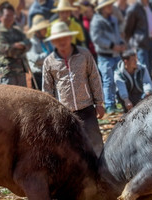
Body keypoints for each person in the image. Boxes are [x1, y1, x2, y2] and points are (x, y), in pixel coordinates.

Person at [42, 22, 105, 155]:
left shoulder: (84, 54)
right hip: (65, 111)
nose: (61, 41)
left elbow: (94, 77)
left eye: (64, 37)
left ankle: (101, 171)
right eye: (57, 39)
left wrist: (99, 102)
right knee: (71, 146)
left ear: (70, 38)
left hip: (87, 107)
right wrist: (50, 113)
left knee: (95, 142)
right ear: (53, 42)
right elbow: (47, 90)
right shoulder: (49, 62)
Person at [90, 0, 125, 114]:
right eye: (108, 5)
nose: (110, 7)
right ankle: (109, 105)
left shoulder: (113, 19)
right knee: (108, 81)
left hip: (115, 54)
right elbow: (96, 38)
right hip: (105, 56)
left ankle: (115, 102)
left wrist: (120, 43)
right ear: (102, 8)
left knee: (117, 79)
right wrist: (111, 45)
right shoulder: (96, 21)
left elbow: (117, 35)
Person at [0, 2, 31, 86]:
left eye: (11, 15)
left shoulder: (17, 31)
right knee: (8, 99)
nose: (10, 18)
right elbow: (7, 51)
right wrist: (19, 47)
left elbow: (28, 44)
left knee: (22, 98)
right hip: (7, 73)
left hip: (20, 72)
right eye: (7, 16)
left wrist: (20, 45)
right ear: (0, 17)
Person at [124, 0, 152, 73]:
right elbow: (128, 29)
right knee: (144, 70)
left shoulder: (151, 6)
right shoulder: (134, 8)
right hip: (141, 45)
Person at [26, 15, 52, 89]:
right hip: (38, 75)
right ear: (38, 31)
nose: (46, 30)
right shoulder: (31, 43)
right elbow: (36, 59)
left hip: (48, 73)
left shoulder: (47, 41)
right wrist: (49, 55)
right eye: (44, 28)